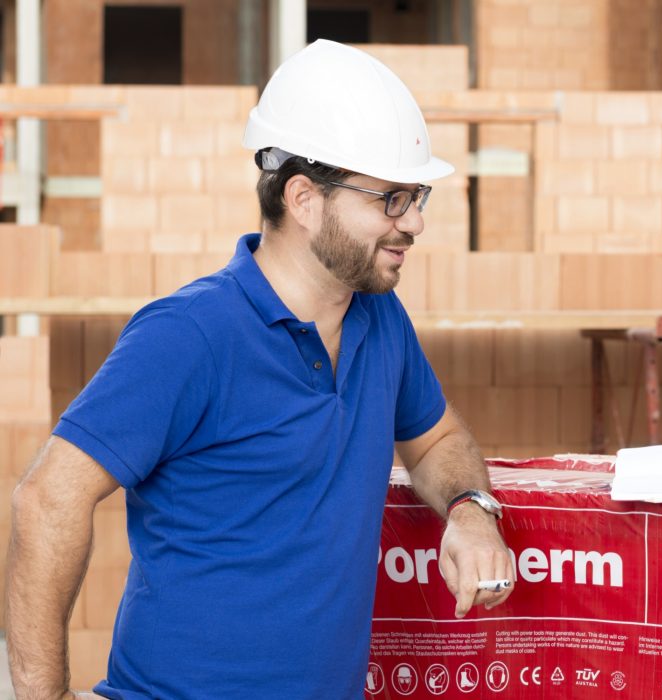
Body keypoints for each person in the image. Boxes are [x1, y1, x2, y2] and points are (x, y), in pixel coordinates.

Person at [6, 40, 512, 699]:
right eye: (390, 198)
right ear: (303, 198)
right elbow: (47, 498)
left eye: (418, 196)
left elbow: (436, 439)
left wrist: (471, 510)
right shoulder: (190, 335)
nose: (414, 221)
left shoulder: (381, 319)